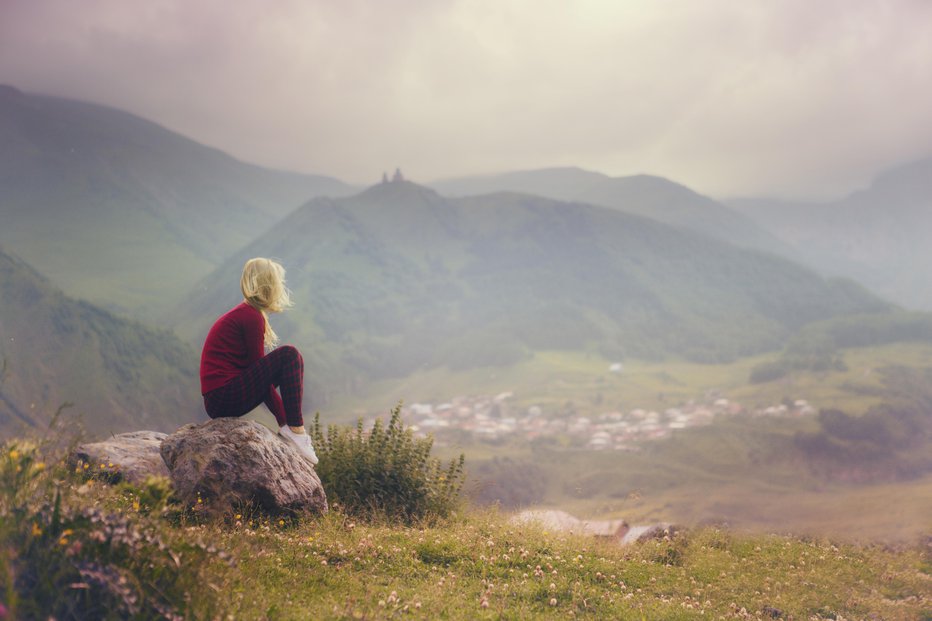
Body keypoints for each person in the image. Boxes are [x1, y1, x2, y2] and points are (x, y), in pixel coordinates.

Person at [199, 257, 318, 464]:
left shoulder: (249, 313)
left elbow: (259, 377)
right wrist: (285, 422)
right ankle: (295, 430)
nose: (280, 287)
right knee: (289, 355)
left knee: (294, 358)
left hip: (219, 398)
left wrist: (283, 421)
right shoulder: (250, 316)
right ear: (269, 285)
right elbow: (260, 377)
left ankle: (294, 430)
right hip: (223, 397)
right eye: (278, 283)